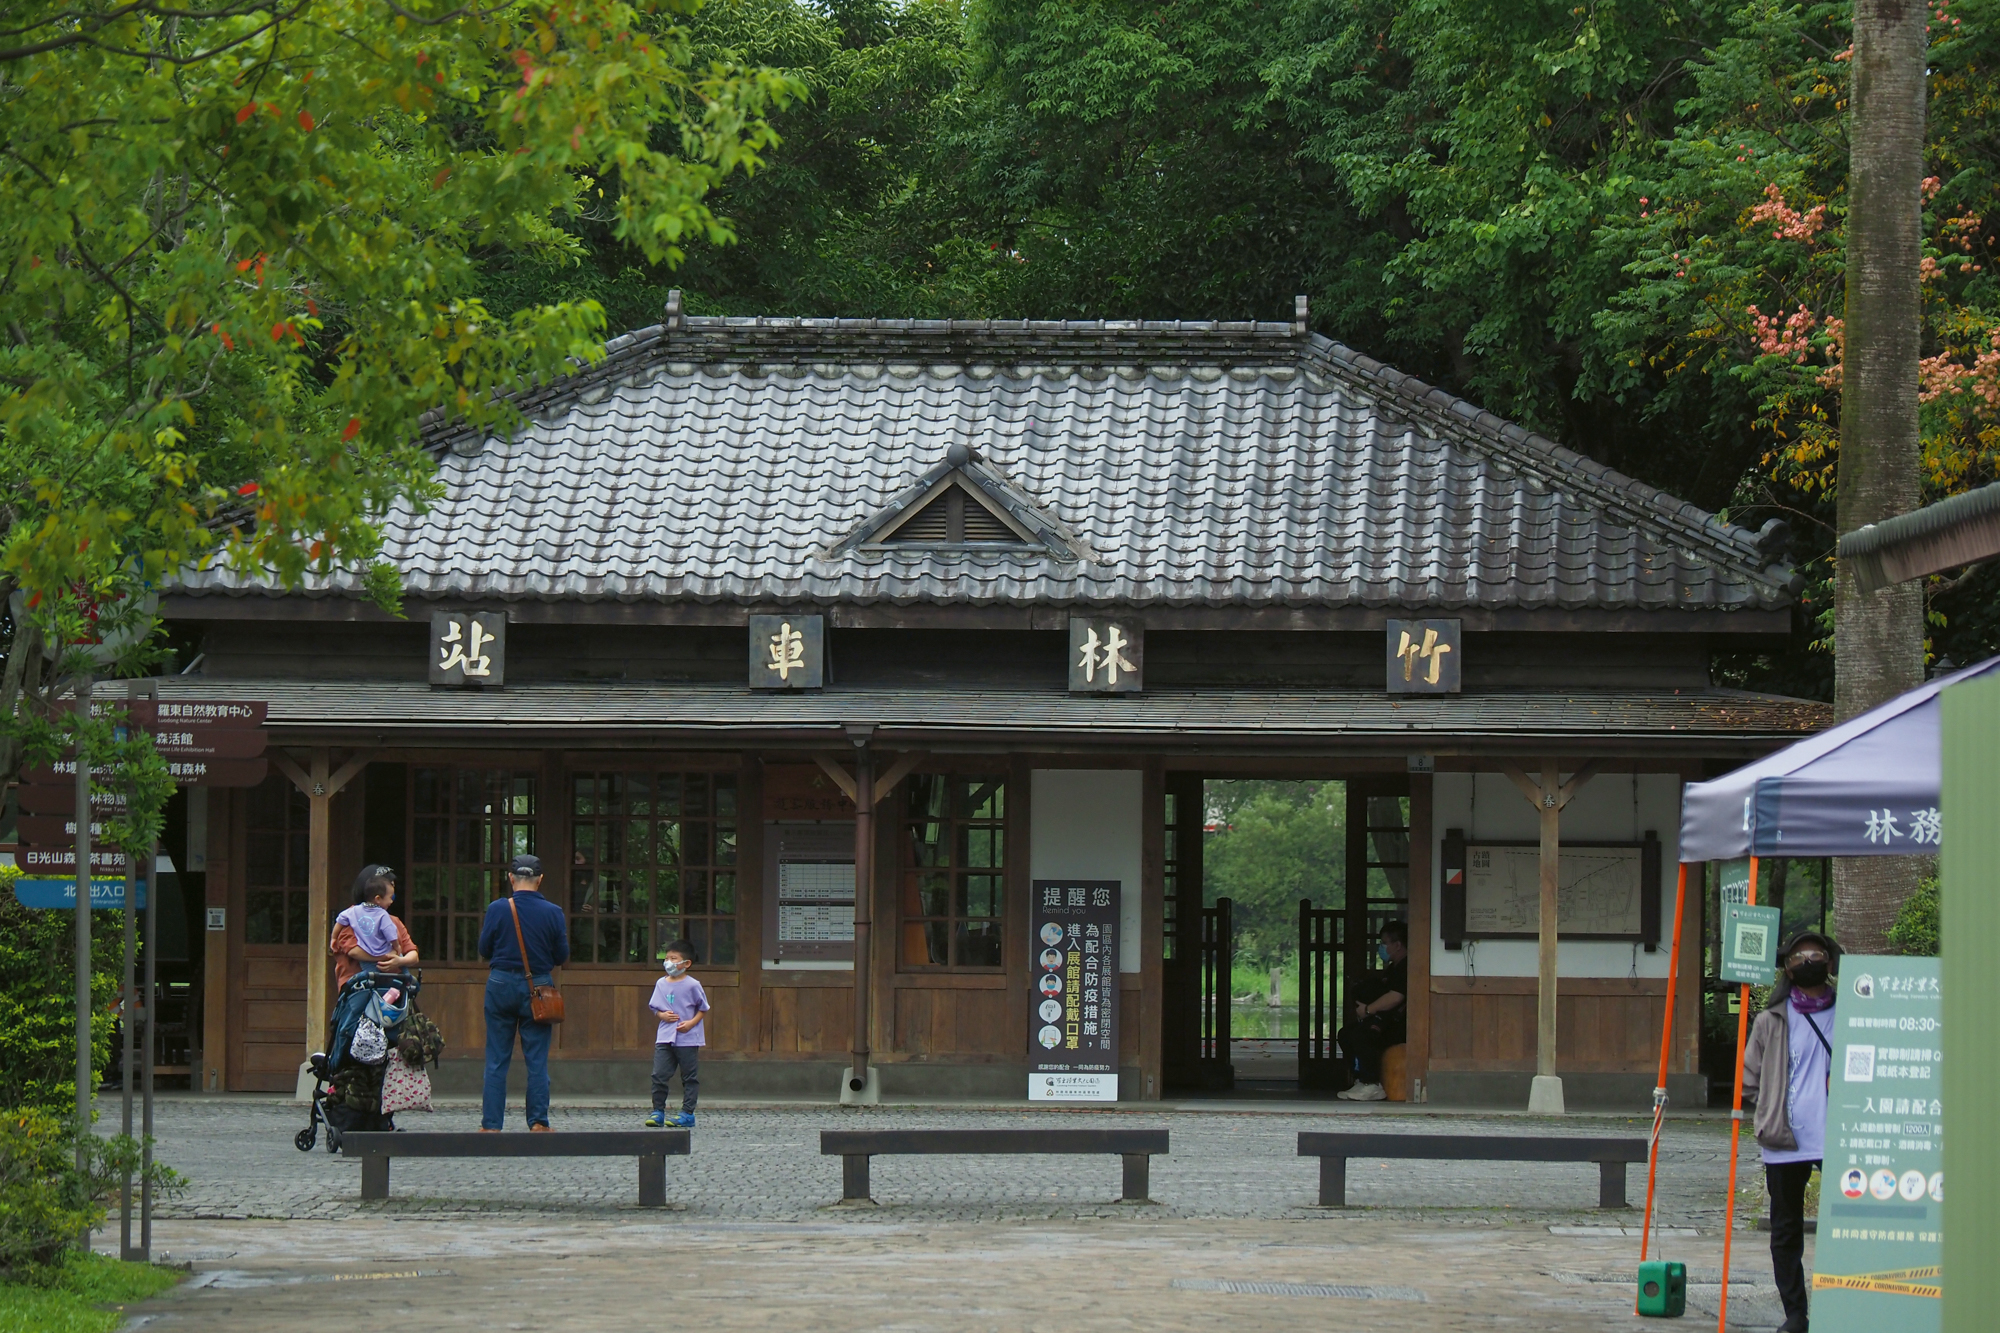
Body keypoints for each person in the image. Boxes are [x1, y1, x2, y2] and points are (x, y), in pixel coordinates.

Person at [1742, 930, 1839, 1333]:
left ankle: (1846, 1305)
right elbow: (1749, 1079)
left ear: (1830, 962)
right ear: (1787, 968)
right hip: (1785, 1140)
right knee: (1785, 1231)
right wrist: (1769, 1105)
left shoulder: (1853, 1013)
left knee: (1847, 1225)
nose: (1807, 961)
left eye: (1815, 954)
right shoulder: (1772, 1020)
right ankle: (1795, 1313)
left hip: (1839, 1139)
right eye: (1798, 957)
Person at [477, 853, 569, 1132]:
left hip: (500, 983)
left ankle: (491, 1125)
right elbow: (561, 956)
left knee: (496, 1059)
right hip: (538, 986)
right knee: (537, 1060)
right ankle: (538, 1122)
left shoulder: (497, 908)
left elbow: (484, 949)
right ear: (540, 880)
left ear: (511, 878)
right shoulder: (553, 912)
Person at [1335, 920, 1408, 1102]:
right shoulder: (1393, 968)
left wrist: (1368, 1010)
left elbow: (1396, 997)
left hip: (1400, 1025)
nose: (1382, 948)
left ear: (1398, 945)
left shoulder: (1407, 967)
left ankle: (1372, 1084)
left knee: (1363, 1035)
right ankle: (1362, 1079)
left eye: (1384, 943)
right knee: (1346, 1034)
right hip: (1385, 1020)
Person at [645, 939, 709, 1128]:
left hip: (687, 1038)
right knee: (659, 1074)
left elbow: (703, 1008)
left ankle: (687, 1113)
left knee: (689, 1076)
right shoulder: (661, 983)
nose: (669, 962)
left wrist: (690, 1024)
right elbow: (655, 1007)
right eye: (667, 958)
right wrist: (661, 1015)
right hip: (665, 1036)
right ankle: (658, 1111)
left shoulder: (693, 985)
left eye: (674, 958)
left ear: (686, 963)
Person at [330, 864, 418, 990]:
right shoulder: (352, 919)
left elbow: (413, 954)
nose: (392, 900)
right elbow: (353, 951)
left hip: (392, 986)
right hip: (358, 987)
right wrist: (386, 957)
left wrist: (399, 961)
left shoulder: (394, 921)